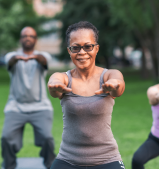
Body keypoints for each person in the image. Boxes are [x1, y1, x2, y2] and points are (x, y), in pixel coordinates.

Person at [48, 21, 126, 169]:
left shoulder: (109, 75)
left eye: (88, 46)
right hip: (68, 160)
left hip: (107, 159)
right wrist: (53, 85)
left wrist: (114, 84)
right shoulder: (64, 78)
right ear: (69, 50)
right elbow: (54, 86)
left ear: (96, 48)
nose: (82, 52)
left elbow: (118, 87)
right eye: (75, 48)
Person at [1, 26, 55, 169]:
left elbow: (44, 61)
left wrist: (35, 57)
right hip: (15, 107)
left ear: (35, 40)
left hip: (40, 107)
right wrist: (16, 58)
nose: (28, 38)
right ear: (20, 39)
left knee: (48, 139)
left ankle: (50, 165)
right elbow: (10, 61)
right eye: (25, 36)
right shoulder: (12, 56)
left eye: (31, 36)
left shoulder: (43, 56)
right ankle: (9, 166)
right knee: (6, 138)